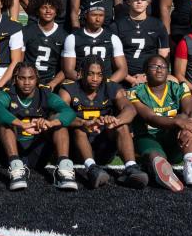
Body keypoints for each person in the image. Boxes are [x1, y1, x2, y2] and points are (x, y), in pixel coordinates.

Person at [0, 63, 83, 191]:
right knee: (5, 122)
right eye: (22, 78)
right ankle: (16, 168)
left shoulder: (45, 94)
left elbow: (69, 112)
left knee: (58, 122)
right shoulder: (6, 94)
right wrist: (21, 124)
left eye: (31, 78)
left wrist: (50, 123)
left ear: (37, 79)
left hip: (38, 152)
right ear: (15, 79)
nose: (27, 82)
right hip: (11, 152)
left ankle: (64, 169)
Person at [58, 56, 148, 189]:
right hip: (78, 149)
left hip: (104, 146)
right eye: (91, 74)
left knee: (122, 126)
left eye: (99, 75)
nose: (95, 79)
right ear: (81, 73)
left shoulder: (111, 87)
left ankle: (131, 168)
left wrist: (115, 120)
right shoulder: (68, 89)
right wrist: (83, 122)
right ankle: (91, 169)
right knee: (79, 128)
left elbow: (130, 109)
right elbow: (60, 114)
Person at [127, 54, 192, 191]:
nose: (159, 69)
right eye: (154, 67)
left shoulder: (178, 88)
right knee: (156, 157)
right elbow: (150, 117)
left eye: (163, 66)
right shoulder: (135, 92)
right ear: (145, 71)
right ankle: (162, 172)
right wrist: (177, 121)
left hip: (174, 139)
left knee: (188, 120)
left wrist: (191, 127)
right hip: (149, 137)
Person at [110, 0, 170, 86]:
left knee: (175, 82)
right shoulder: (117, 25)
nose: (139, 1)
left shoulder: (157, 25)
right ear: (128, 1)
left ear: (148, 1)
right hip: (123, 77)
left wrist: (147, 76)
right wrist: (130, 79)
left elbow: (163, 56)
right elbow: (112, 58)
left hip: (152, 75)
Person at [61, 4, 127, 84]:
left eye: (101, 15)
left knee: (121, 95)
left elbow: (123, 70)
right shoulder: (73, 38)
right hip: (81, 83)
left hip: (106, 82)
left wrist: (108, 84)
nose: (98, 19)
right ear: (85, 15)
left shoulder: (113, 38)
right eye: (94, 15)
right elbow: (68, 70)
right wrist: (87, 82)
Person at [22, 0, 68, 90]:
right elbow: (19, 61)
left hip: (50, 81)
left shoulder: (64, 36)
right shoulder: (26, 31)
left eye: (51, 8)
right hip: (27, 80)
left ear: (56, 11)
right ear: (37, 11)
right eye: (44, 7)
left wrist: (53, 83)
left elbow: (66, 68)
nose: (48, 11)